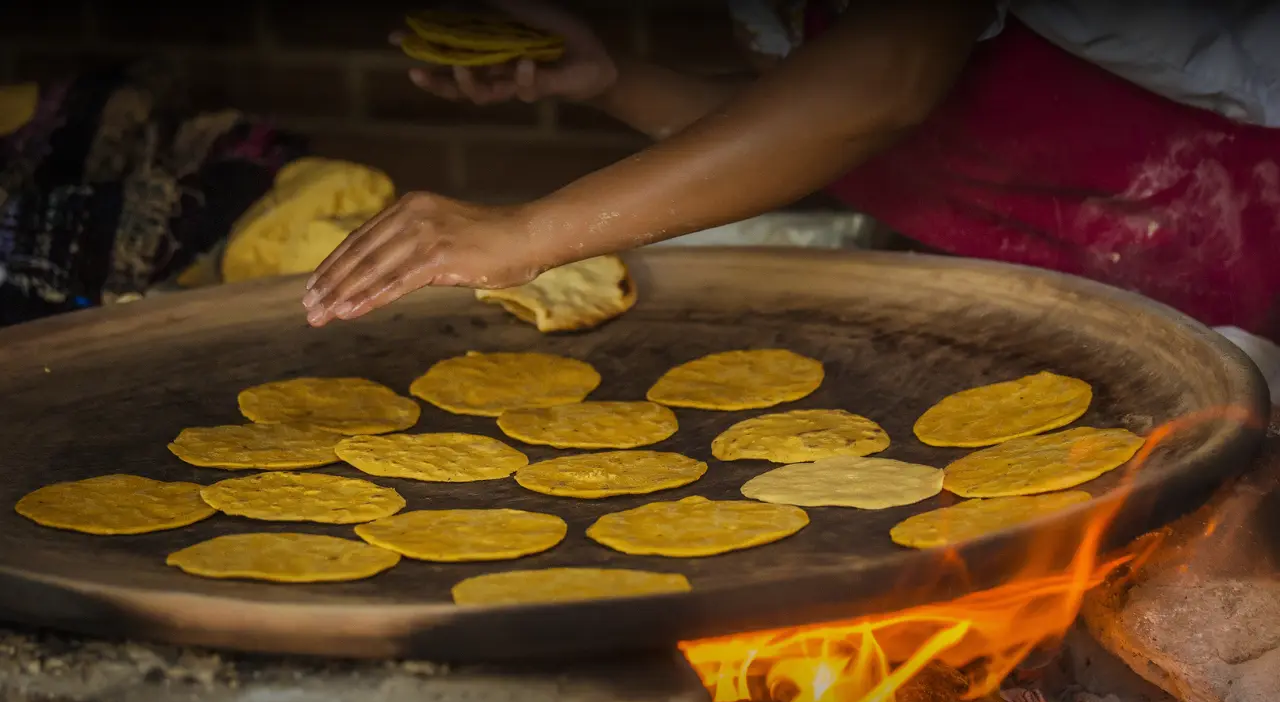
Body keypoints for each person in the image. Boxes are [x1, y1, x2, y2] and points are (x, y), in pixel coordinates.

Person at [302, 0, 1280, 371]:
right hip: (1045, 307)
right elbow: (807, 131)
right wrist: (611, 80)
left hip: (1233, 238)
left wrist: (528, 232)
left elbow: (885, 82)